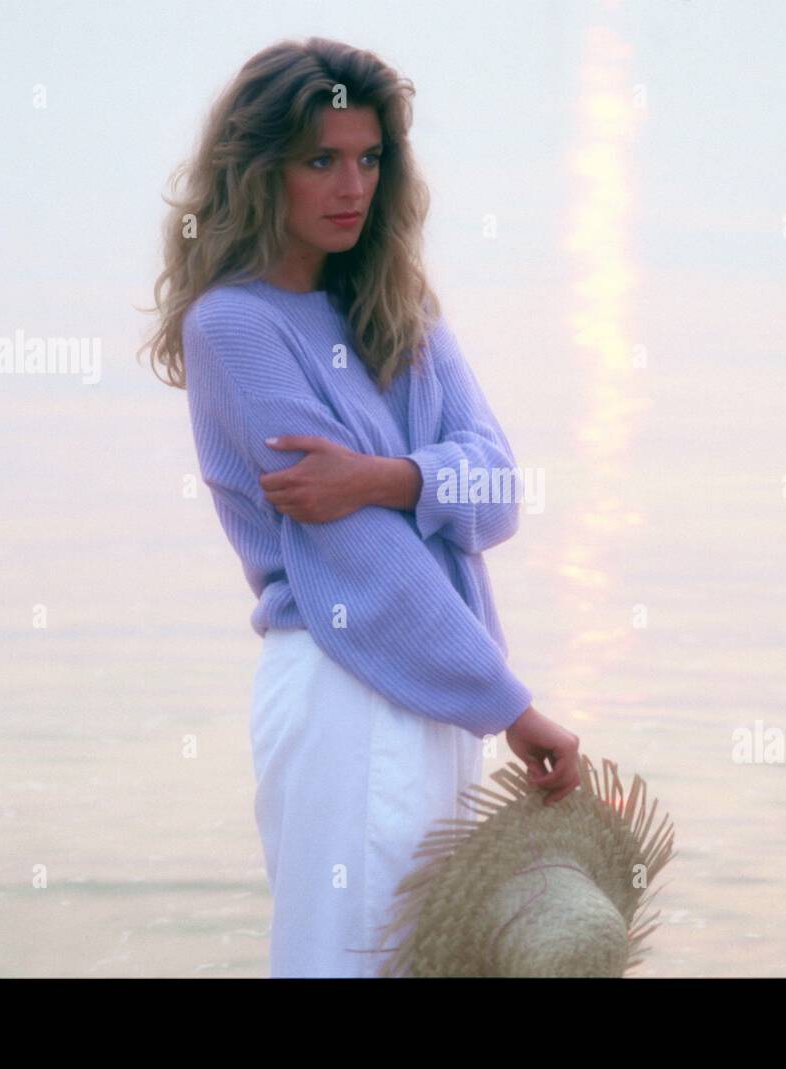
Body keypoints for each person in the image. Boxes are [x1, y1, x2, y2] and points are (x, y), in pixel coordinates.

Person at [139, 37, 580, 978]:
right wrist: (512, 708)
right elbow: (363, 562)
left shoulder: (398, 309)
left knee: (430, 962)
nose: (352, 185)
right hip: (346, 682)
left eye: (370, 158)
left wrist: (388, 477)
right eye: (321, 160)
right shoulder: (235, 327)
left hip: (439, 684)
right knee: (343, 961)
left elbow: (498, 487)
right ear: (260, 174)